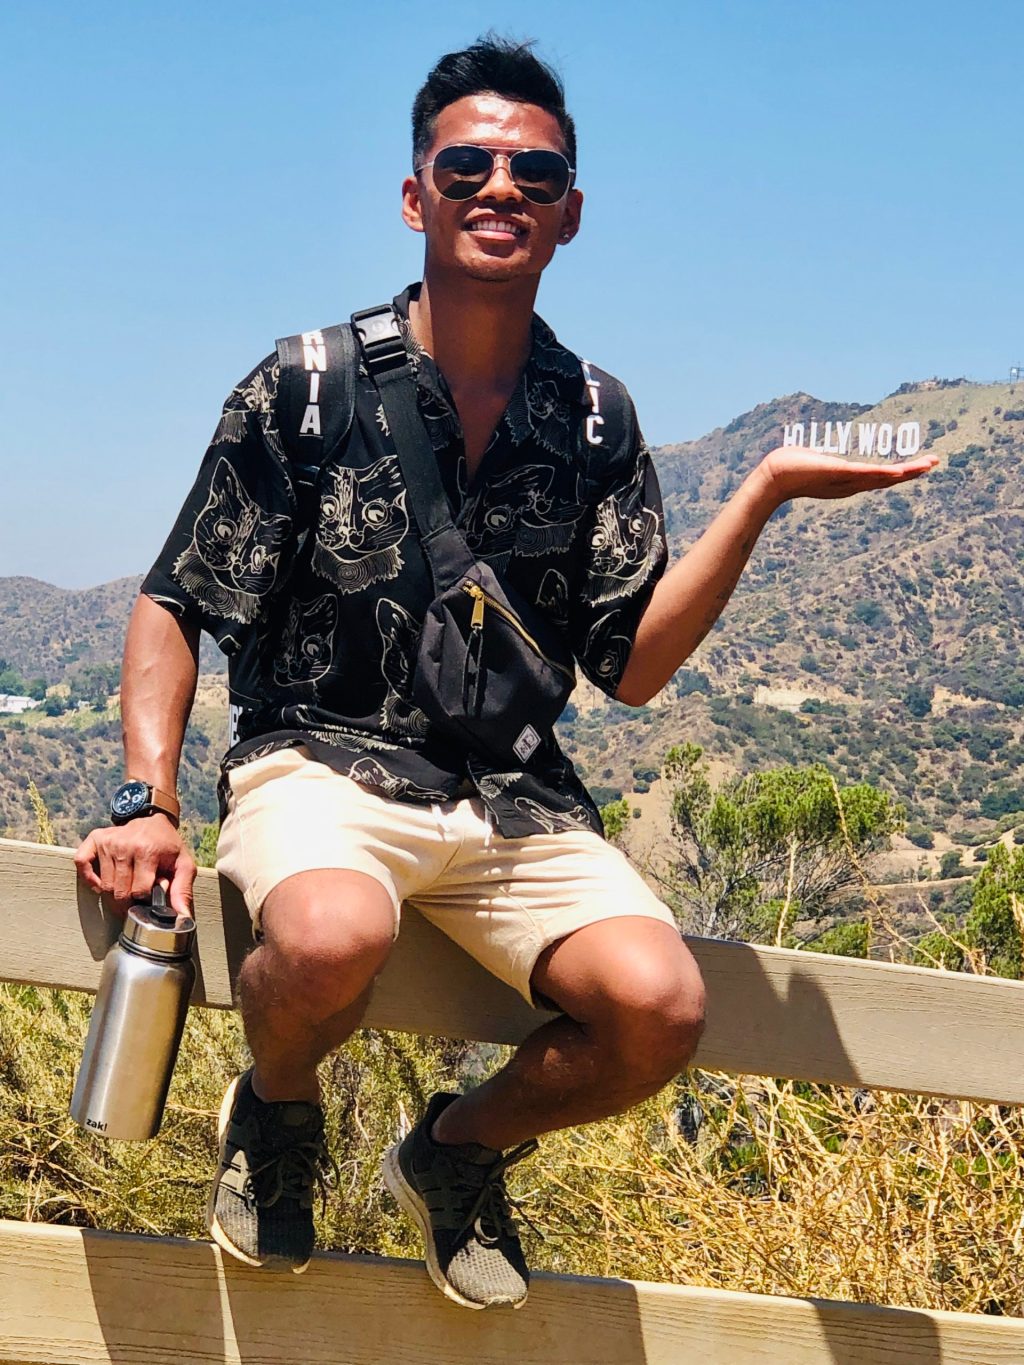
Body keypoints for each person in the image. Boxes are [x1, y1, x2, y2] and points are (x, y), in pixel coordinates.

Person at [74, 36, 937, 1310]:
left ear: (570, 212)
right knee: (331, 934)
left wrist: (757, 499)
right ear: (414, 194)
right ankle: (277, 1111)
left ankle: (454, 1152)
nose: (500, 190)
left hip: (508, 797)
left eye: (533, 173)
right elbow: (178, 595)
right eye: (466, 164)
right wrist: (149, 797)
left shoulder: (594, 416)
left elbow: (628, 666)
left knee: (657, 1010)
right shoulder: (308, 384)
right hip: (319, 757)